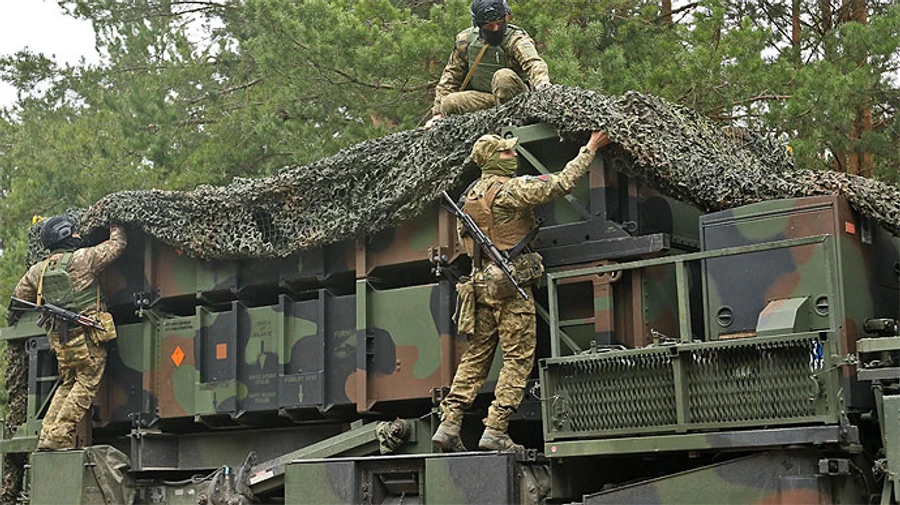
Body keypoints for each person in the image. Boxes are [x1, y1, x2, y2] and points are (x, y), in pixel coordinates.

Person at [432, 130, 610, 451]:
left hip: (480, 286)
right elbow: (562, 183)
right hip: (510, 287)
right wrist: (590, 148)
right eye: (506, 153)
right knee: (517, 358)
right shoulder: (509, 190)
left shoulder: (469, 196)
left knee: (475, 357)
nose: (513, 156)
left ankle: (449, 423)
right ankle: (496, 430)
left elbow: (467, 243)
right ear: (492, 160)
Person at [11, 216, 127, 451]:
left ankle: (47, 435)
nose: (77, 236)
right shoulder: (83, 258)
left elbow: (19, 298)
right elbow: (118, 245)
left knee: (67, 384)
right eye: (73, 232)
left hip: (61, 339)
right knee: (85, 383)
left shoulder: (38, 271)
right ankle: (60, 434)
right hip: (88, 337)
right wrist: (117, 222)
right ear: (65, 235)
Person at [424, 0, 550, 129]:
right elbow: (451, 76)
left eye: (499, 23)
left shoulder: (515, 39)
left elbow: (534, 63)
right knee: (450, 102)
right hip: (487, 100)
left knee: (503, 77)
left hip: (518, 100)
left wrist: (542, 85)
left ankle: (510, 124)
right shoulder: (466, 41)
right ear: (479, 25)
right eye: (490, 26)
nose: (495, 29)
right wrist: (438, 113)